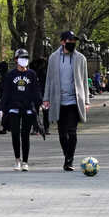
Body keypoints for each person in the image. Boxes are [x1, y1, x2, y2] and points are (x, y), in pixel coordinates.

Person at [43, 31, 90, 171]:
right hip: (58, 101)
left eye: (74, 41)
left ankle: (69, 161)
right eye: (70, 40)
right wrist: (46, 98)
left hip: (74, 101)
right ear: (63, 42)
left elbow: (84, 80)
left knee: (72, 132)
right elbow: (49, 80)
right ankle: (67, 155)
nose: (73, 43)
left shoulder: (81, 58)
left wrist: (86, 100)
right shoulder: (53, 58)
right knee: (62, 133)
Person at [0, 48, 42, 171]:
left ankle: (25, 162)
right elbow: (6, 93)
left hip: (27, 108)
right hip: (14, 108)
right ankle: (17, 159)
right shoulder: (11, 75)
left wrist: (40, 104)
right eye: (22, 58)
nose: (24, 60)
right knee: (15, 134)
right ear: (16, 60)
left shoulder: (32, 74)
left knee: (25, 135)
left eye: (26, 57)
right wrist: (1, 108)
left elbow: (36, 91)